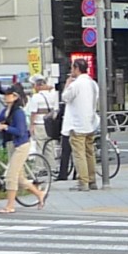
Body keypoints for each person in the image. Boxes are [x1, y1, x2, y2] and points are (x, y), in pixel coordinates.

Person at [0, 84, 46, 213]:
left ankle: (10, 206)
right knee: (20, 179)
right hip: (14, 145)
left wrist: (5, 127)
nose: (5, 96)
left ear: (15, 96)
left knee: (11, 176)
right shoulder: (7, 109)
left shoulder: (18, 112)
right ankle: (39, 194)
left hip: (21, 146)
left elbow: (20, 131)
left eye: (8, 94)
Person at [61, 58, 99, 191]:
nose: (71, 70)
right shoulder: (93, 83)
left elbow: (65, 97)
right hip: (90, 122)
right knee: (90, 152)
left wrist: (67, 84)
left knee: (79, 154)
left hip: (77, 123)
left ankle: (83, 182)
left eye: (72, 68)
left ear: (77, 68)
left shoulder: (76, 84)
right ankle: (92, 180)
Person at [26, 74, 53, 154]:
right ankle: (52, 165)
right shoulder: (52, 95)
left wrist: (31, 126)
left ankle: (40, 166)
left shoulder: (36, 97)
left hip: (39, 124)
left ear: (36, 85)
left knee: (40, 147)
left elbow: (33, 113)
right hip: (50, 125)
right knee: (50, 147)